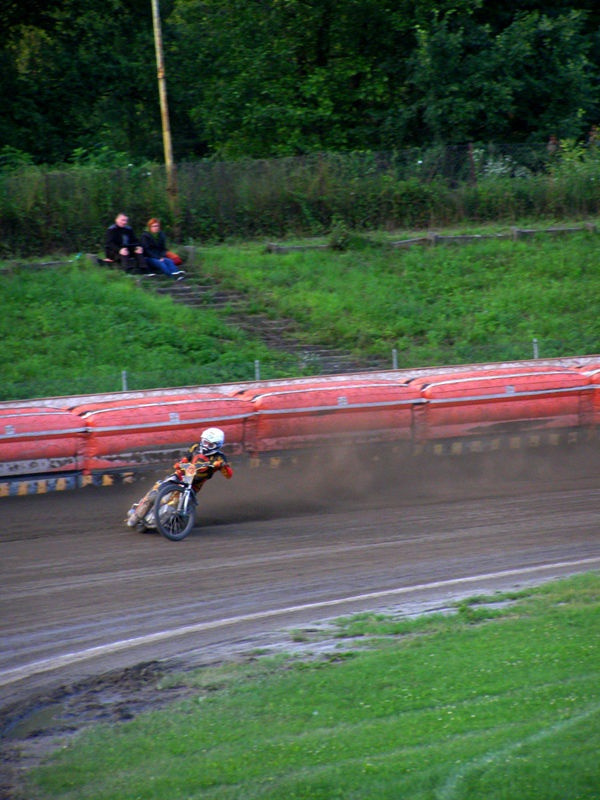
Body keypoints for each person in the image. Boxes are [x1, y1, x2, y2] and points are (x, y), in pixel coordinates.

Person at [125, 427, 233, 527]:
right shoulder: (195, 447)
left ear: (218, 445)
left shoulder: (220, 458)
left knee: (175, 504)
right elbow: (186, 458)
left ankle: (166, 522)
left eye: (210, 445)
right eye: (205, 442)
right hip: (181, 475)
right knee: (155, 493)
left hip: (194, 485)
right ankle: (136, 514)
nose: (206, 446)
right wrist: (180, 463)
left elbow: (228, 475)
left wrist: (223, 466)